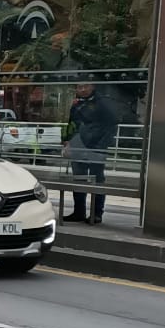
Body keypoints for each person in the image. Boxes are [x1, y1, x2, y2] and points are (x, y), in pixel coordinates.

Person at [66, 82, 119, 225]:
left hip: (96, 147)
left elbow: (112, 125)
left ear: (93, 86)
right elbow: (71, 124)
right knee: (79, 178)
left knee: (97, 180)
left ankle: (97, 213)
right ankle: (79, 212)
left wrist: (101, 146)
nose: (82, 89)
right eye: (79, 87)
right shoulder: (77, 104)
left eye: (85, 86)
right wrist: (67, 141)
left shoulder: (102, 103)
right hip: (78, 146)